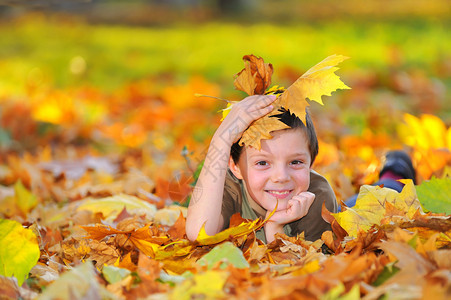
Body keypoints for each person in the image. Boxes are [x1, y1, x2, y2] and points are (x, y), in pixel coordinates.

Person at [186, 95, 338, 243]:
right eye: (263, 163)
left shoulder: (319, 199)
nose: (281, 177)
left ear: (311, 163)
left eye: (296, 162)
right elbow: (199, 234)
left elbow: (300, 266)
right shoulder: (227, 187)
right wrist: (221, 139)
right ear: (235, 167)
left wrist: (275, 228)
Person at [341, 150, 416, 210]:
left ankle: (386, 181)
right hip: (399, 194)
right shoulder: (413, 204)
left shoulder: (354, 200)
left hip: (373, 192)